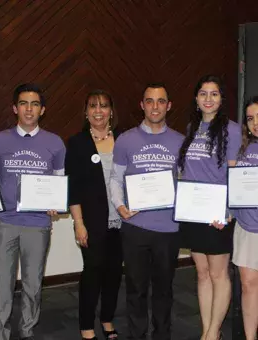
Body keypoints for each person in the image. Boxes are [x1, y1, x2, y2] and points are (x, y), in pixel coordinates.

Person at [0, 83, 66, 340]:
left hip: (37, 224)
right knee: (2, 285)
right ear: (15, 108)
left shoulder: (55, 143)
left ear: (42, 110)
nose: (29, 109)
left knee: (33, 285)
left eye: (34, 104)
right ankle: (1, 333)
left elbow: (58, 179)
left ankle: (27, 331)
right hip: (4, 223)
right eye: (23, 103)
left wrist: (56, 202)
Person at [110, 83, 184, 340]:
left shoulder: (180, 142)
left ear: (168, 105)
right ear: (142, 105)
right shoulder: (125, 140)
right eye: (150, 101)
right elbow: (115, 179)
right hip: (135, 227)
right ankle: (137, 335)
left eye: (161, 101)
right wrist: (120, 206)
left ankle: (162, 335)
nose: (155, 106)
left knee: (164, 289)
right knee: (136, 289)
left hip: (168, 229)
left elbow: (185, 181)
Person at [178, 75, 242, 340]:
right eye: (203, 93)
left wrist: (228, 212)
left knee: (218, 274)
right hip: (193, 211)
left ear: (222, 99)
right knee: (202, 273)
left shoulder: (232, 130)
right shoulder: (192, 127)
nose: (208, 99)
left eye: (214, 94)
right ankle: (209, 331)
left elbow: (234, 175)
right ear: (196, 98)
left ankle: (213, 332)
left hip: (217, 213)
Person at [65, 90, 123, 340]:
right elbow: (73, 188)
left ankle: (107, 318)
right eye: (93, 106)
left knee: (114, 272)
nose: (98, 111)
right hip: (92, 221)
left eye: (104, 106)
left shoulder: (124, 140)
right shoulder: (77, 143)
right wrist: (78, 223)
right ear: (86, 112)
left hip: (123, 220)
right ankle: (86, 324)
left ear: (111, 111)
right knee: (93, 270)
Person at [232, 96, 258, 340]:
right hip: (247, 227)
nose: (255, 123)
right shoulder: (243, 149)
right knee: (249, 285)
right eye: (250, 118)